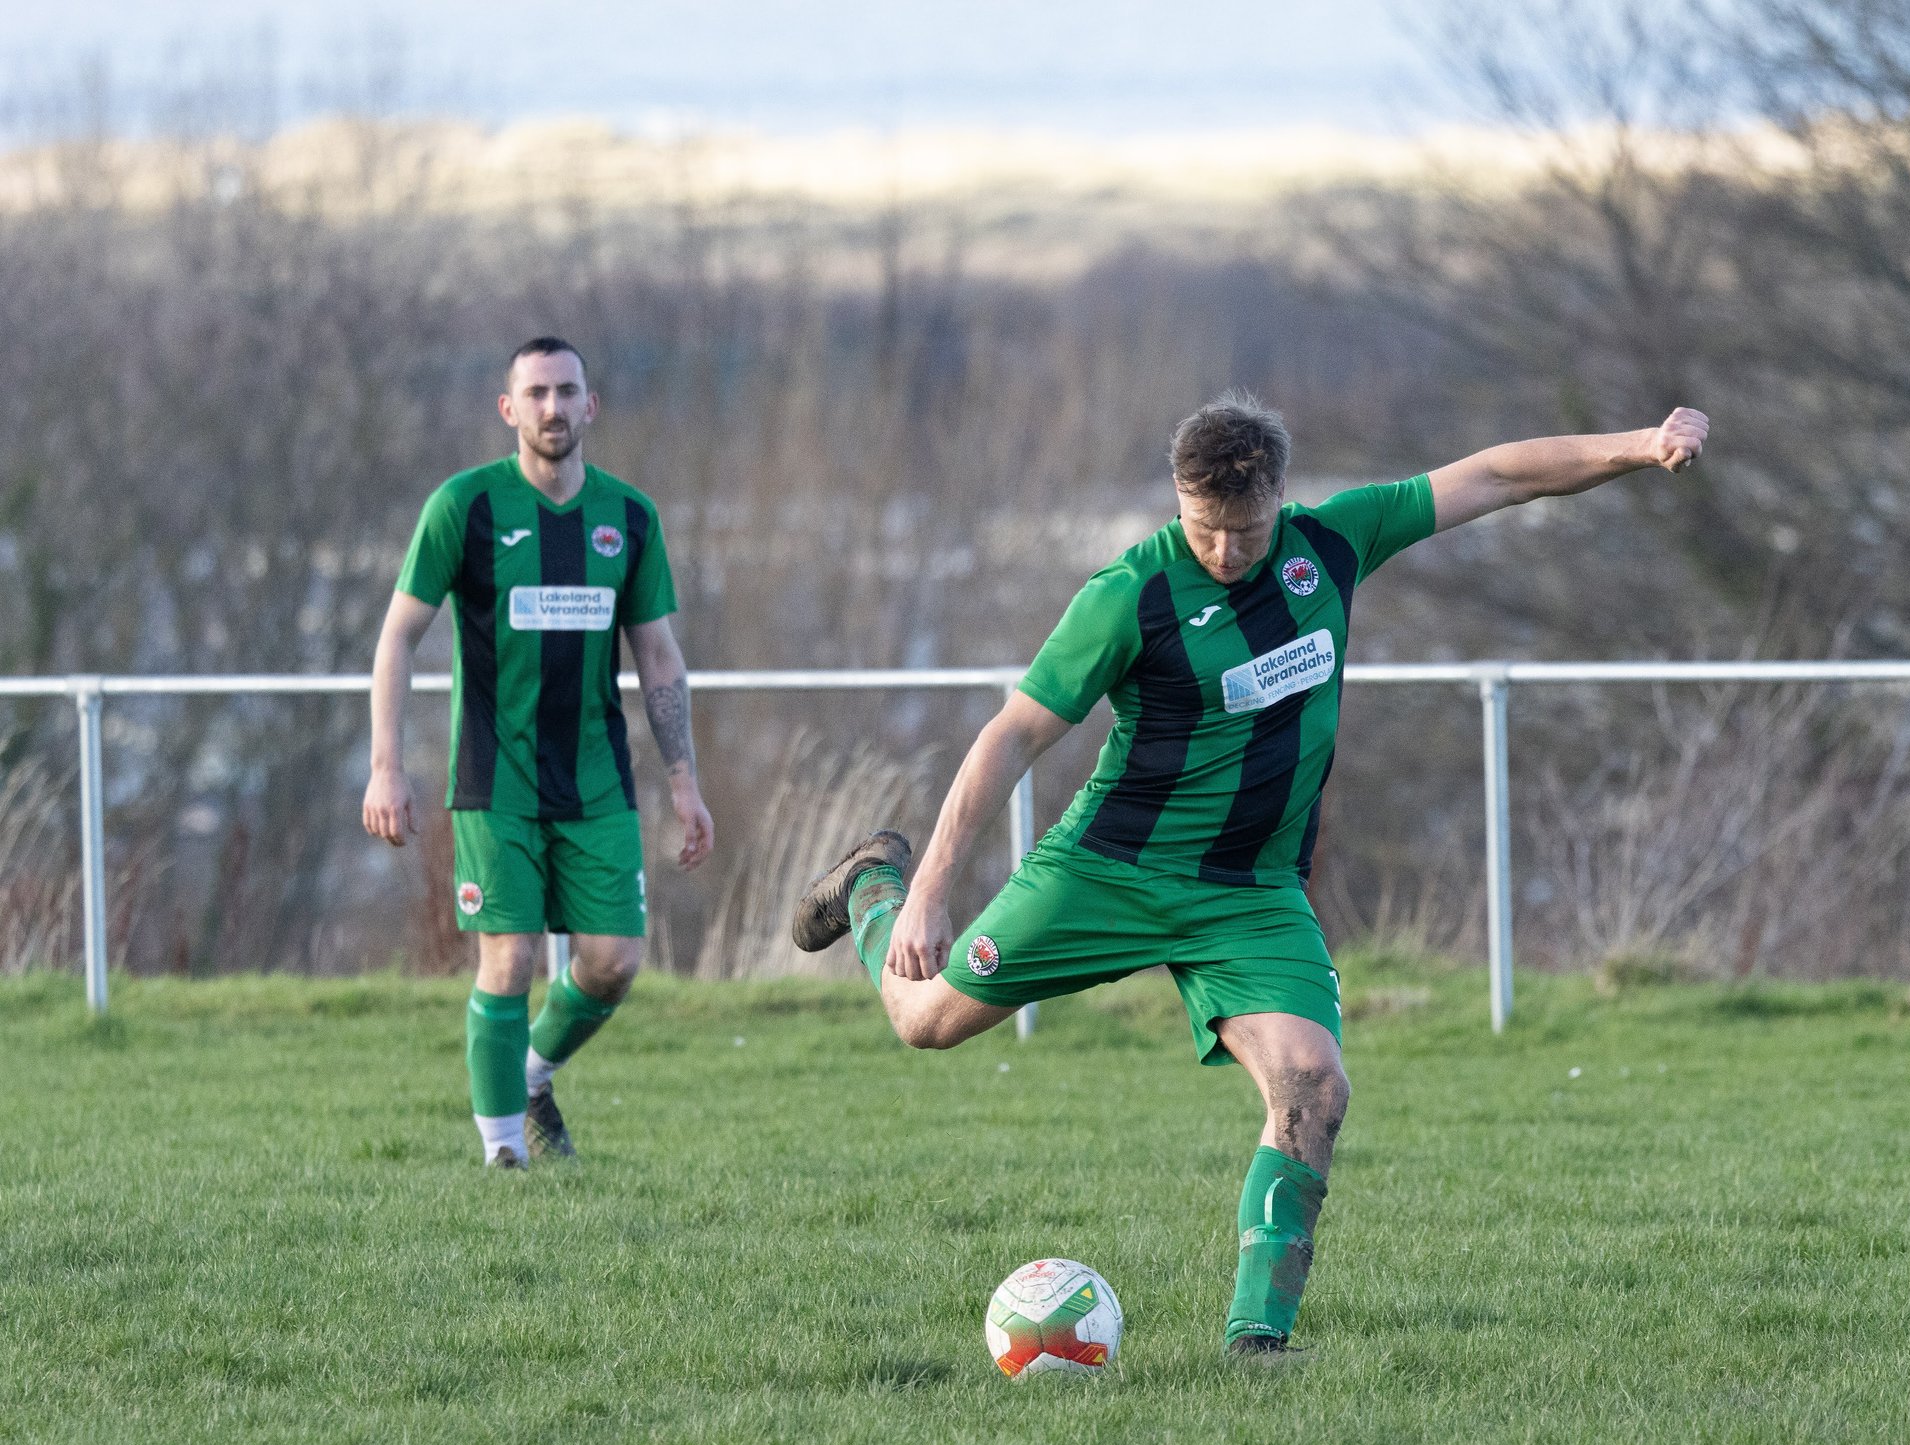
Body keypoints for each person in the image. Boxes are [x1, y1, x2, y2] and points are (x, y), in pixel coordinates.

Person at [787, 392, 1708, 1357]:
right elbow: (1011, 734)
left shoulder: (1335, 547)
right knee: (921, 1019)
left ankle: (1256, 1343)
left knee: (1313, 1082)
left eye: (1247, 530)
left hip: (1253, 895)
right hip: (1110, 871)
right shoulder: (1128, 595)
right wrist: (930, 885)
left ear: (1281, 499)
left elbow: (1496, 474)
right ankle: (870, 888)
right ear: (1178, 502)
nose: (1225, 552)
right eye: (1205, 530)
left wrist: (1641, 448)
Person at [362, 337, 715, 1168]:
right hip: (496, 779)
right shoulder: (466, 508)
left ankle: (529, 1075)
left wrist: (684, 782)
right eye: (537, 393)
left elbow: (658, 655)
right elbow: (397, 640)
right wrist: (385, 764)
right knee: (510, 956)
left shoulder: (629, 517)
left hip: (597, 779)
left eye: (567, 392)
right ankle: (503, 1157)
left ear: (591, 405)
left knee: (615, 962)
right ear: (509, 409)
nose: (553, 408)